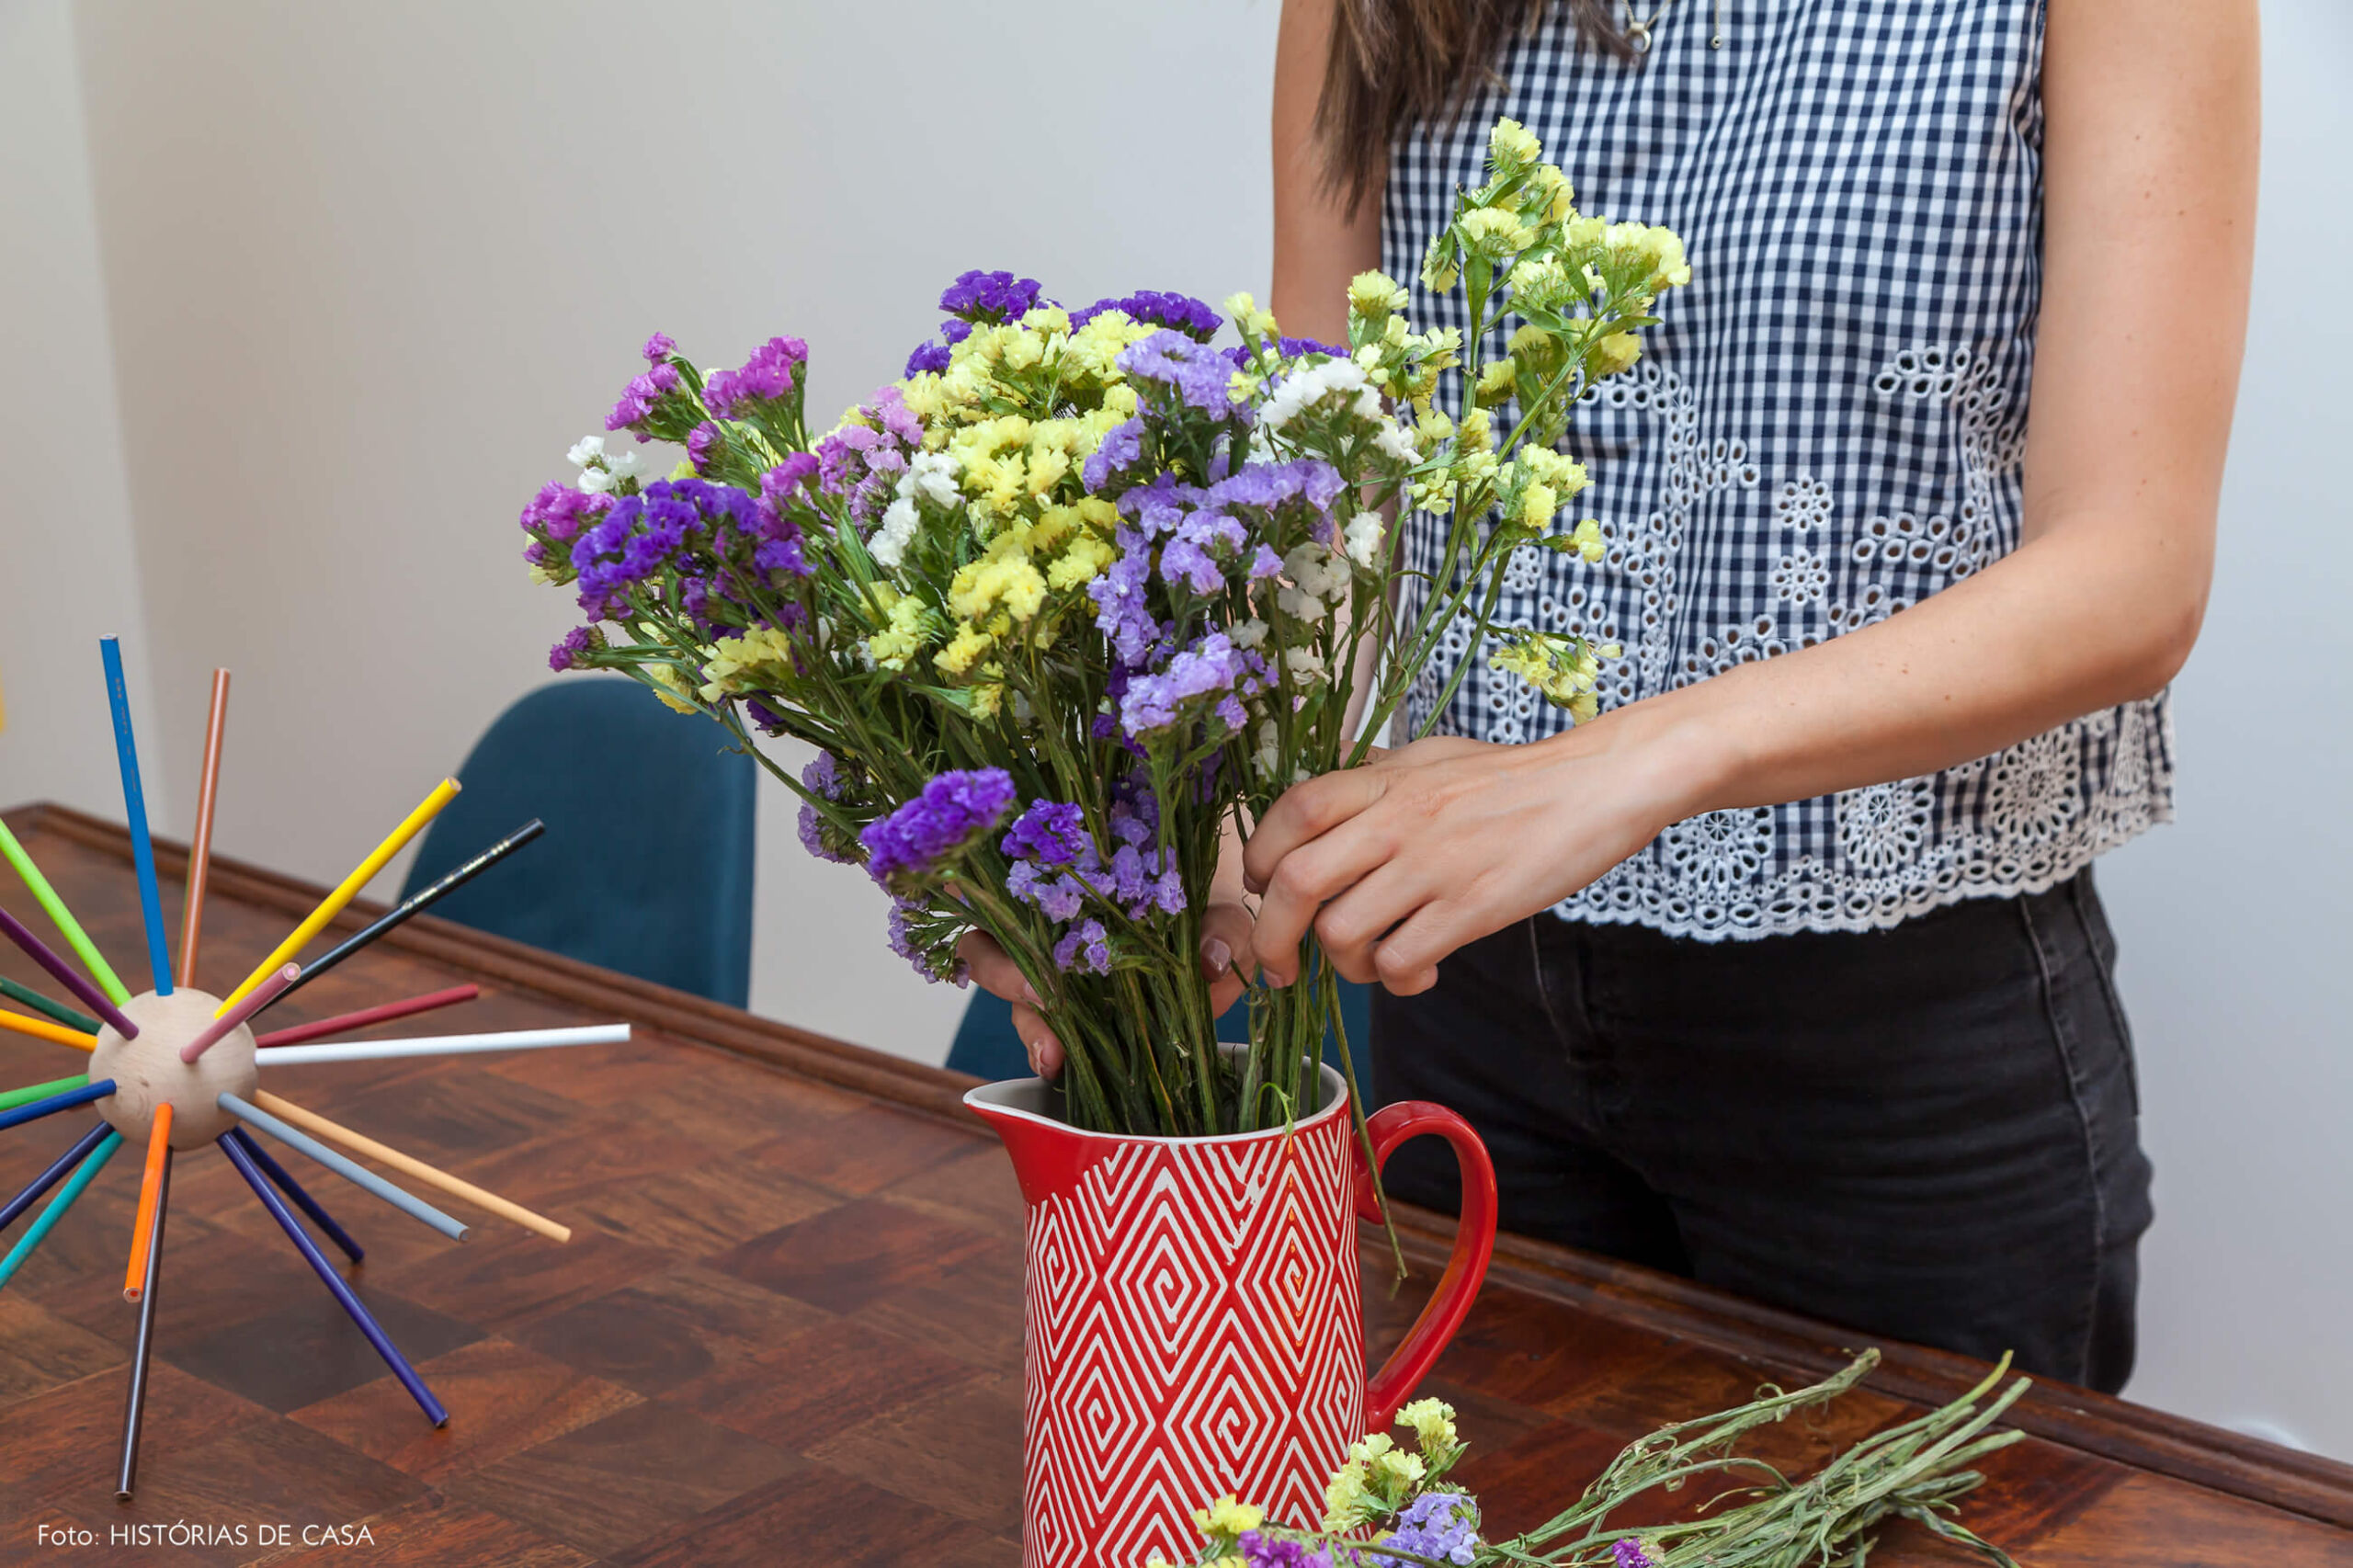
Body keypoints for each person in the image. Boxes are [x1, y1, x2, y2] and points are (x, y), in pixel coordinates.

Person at [968, 0, 2255, 1393]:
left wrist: (1610, 769)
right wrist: (1198, 830)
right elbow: (1333, 488)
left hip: (1897, 1058)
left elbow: (2131, 573)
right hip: (1452, 1000)